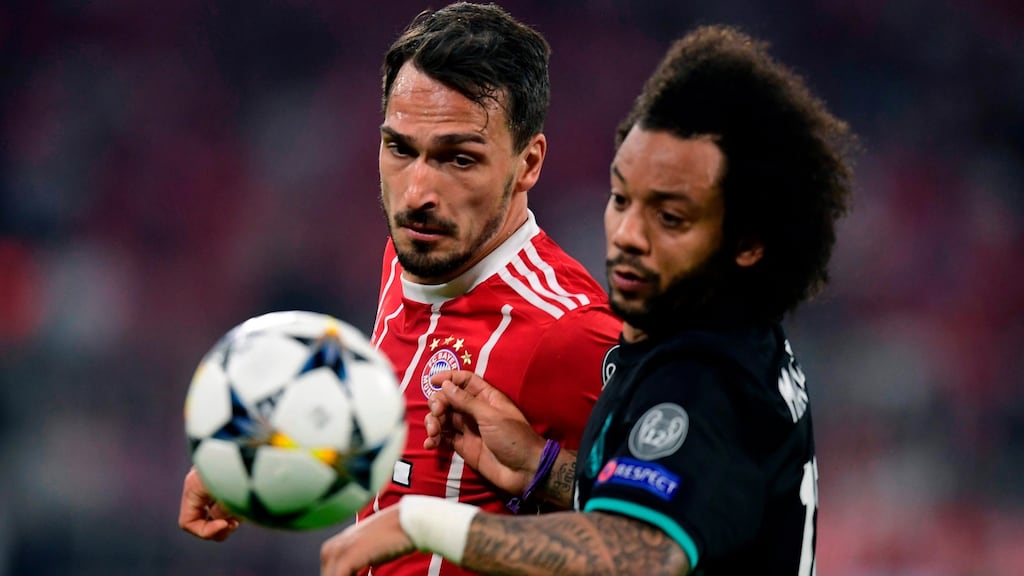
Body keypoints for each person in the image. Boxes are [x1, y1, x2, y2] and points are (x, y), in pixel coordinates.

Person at [319, 24, 856, 575]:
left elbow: (640, 554)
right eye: (621, 197)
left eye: (669, 217)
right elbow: (671, 496)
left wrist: (423, 524)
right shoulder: (734, 342)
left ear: (748, 242)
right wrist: (540, 467)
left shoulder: (696, 373)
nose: (626, 233)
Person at [178, 3, 621, 575]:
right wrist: (252, 461)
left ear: (528, 163)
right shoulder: (414, 253)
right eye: (401, 149)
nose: (417, 193)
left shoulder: (567, 332)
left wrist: (544, 470)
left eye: (458, 158)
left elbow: (674, 531)